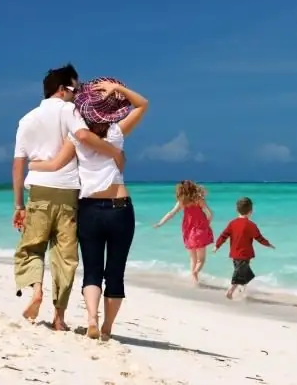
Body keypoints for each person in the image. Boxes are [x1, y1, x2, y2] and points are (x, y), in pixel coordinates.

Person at [29, 77, 148, 340]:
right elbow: (143, 105)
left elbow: (54, 165)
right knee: (115, 272)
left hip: (90, 209)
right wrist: (117, 89)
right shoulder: (116, 132)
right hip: (120, 208)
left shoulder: (78, 137)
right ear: (112, 110)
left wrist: (32, 165)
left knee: (93, 270)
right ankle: (106, 329)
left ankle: (91, 319)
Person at [12, 64, 125, 331]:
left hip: (38, 189)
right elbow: (83, 136)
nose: (78, 95)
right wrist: (113, 151)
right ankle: (59, 317)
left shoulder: (27, 119)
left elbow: (18, 164)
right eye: (75, 88)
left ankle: (36, 290)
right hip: (68, 192)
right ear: (62, 90)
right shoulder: (70, 111)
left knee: (32, 247)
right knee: (65, 256)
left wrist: (18, 204)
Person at [213, 197, 275, 299]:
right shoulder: (251, 225)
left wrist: (217, 245)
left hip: (235, 254)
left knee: (245, 274)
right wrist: (268, 244)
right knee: (239, 273)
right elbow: (259, 238)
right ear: (251, 212)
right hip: (245, 255)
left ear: (237, 210)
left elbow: (224, 235)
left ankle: (242, 292)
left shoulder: (232, 223)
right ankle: (230, 291)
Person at [153, 180, 214, 285]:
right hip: (200, 230)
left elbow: (171, 213)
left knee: (193, 258)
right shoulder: (199, 199)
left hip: (188, 230)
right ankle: (195, 272)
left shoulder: (182, 202)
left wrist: (160, 223)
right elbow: (209, 214)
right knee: (201, 260)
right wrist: (208, 223)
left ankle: (194, 280)